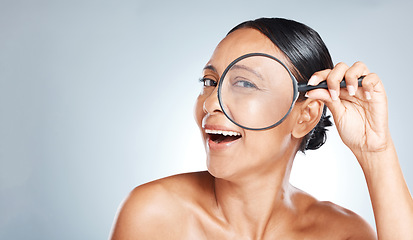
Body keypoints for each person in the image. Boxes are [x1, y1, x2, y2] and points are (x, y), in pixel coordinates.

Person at [109, 18, 413, 239]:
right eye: (210, 82)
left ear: (305, 116)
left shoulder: (342, 233)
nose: (210, 102)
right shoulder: (153, 214)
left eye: (244, 83)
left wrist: (376, 153)